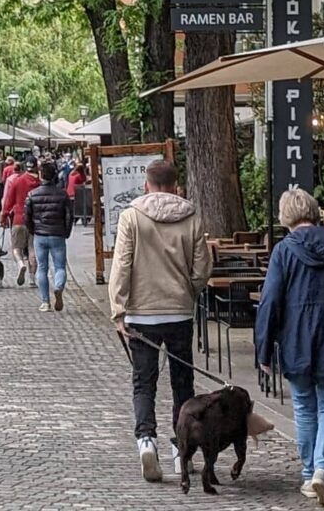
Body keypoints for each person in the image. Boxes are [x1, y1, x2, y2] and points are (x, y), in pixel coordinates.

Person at [255, 188, 324, 508]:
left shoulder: (284, 252)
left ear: (285, 217)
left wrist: (263, 348)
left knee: (303, 407)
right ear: (314, 212)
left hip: (296, 341)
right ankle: (323, 469)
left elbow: (270, 301)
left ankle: (307, 473)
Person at [108, 159, 211, 483]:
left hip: (142, 311)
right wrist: (188, 291)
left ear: (146, 184)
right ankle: (182, 452)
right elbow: (202, 267)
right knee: (183, 384)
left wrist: (118, 308)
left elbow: (122, 265)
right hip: (178, 310)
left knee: (144, 381)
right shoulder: (191, 216)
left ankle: (145, 440)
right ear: (176, 185)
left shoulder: (131, 217)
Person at [25, 162, 73, 313]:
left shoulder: (33, 194)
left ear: (41, 175)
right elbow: (69, 215)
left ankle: (45, 301)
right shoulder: (62, 194)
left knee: (42, 268)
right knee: (60, 266)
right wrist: (66, 232)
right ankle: (58, 287)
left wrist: (33, 230)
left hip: (40, 234)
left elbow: (27, 216)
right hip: (57, 234)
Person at [1, 156, 41, 287]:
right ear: (36, 166)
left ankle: (20, 264)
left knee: (16, 248)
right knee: (32, 249)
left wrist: (4, 215)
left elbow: (9, 200)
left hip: (18, 218)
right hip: (35, 221)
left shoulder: (18, 181)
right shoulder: (40, 183)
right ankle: (32, 279)